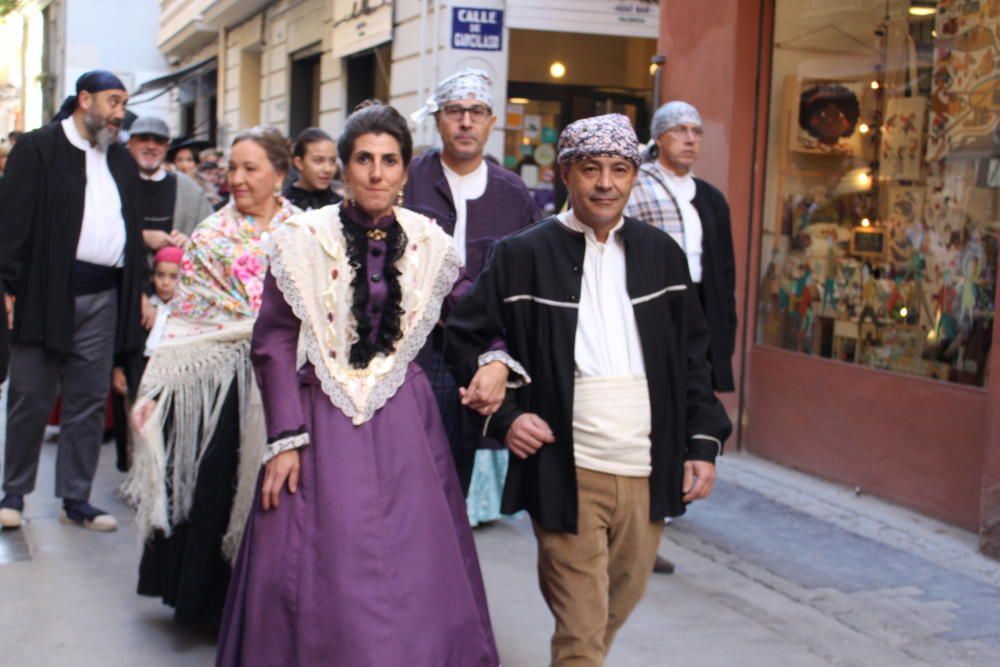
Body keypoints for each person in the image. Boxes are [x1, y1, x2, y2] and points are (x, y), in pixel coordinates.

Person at [215, 102, 502, 666]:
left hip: (404, 421)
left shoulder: (429, 241)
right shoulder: (301, 237)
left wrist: (495, 357)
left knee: (413, 559)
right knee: (323, 559)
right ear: (345, 166)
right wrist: (286, 438)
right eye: (364, 159)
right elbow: (272, 340)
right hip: (318, 415)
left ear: (405, 169)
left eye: (389, 160)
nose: (376, 173)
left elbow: (471, 317)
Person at [446, 114, 732, 666]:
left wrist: (702, 444)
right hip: (565, 465)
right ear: (566, 175)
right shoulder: (522, 254)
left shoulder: (662, 256)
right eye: (591, 169)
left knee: (611, 610)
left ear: (633, 176)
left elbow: (694, 359)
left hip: (649, 466)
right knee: (579, 633)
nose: (605, 183)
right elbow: (466, 338)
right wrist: (508, 418)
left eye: (619, 169)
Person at [124, 126, 300, 626]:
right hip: (220, 386)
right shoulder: (210, 235)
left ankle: (273, 608)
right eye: (232, 169)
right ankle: (213, 606)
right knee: (217, 489)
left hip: (289, 382)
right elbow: (186, 320)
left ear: (280, 174)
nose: (237, 180)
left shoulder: (308, 232)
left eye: (251, 169)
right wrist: (155, 389)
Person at [0, 70, 146, 532]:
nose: (119, 113)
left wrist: (136, 289)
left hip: (105, 294)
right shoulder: (39, 148)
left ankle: (76, 499)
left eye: (123, 103)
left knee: (87, 399)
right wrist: (9, 287)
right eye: (112, 101)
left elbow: (131, 227)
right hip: (45, 292)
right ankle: (13, 493)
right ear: (85, 99)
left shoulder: (119, 159)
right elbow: (12, 224)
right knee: (30, 395)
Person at [406, 68, 539, 510]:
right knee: (407, 472)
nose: (465, 121)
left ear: (491, 121)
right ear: (438, 119)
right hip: (414, 354)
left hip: (483, 357)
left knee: (455, 480)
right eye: (455, 111)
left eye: (476, 112)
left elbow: (523, 288)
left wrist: (502, 359)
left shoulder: (513, 194)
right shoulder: (408, 181)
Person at [625, 100, 738, 574]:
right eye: (679, 130)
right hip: (650, 307)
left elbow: (723, 270)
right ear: (659, 138)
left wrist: (720, 338)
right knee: (646, 413)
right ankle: (635, 530)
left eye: (696, 130)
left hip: (696, 309)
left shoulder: (709, 197)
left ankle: (655, 524)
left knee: (683, 412)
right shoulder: (638, 187)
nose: (690, 138)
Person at [111, 246, 184, 470]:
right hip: (139, 373)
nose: (165, 283)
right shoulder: (144, 307)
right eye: (160, 275)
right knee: (136, 424)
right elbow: (125, 338)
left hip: (169, 377)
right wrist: (118, 367)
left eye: (173, 277)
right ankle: (135, 472)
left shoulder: (183, 311)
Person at [127, 117, 215, 251]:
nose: (151, 146)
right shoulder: (116, 184)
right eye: (144, 139)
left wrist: (190, 241)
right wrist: (141, 237)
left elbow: (212, 235)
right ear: (130, 143)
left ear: (166, 147)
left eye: (159, 141)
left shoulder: (190, 190)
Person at [282, 127, 343, 211]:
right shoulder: (282, 202)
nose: (328, 169)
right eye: (318, 161)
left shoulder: (341, 206)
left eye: (332, 161)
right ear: (299, 163)